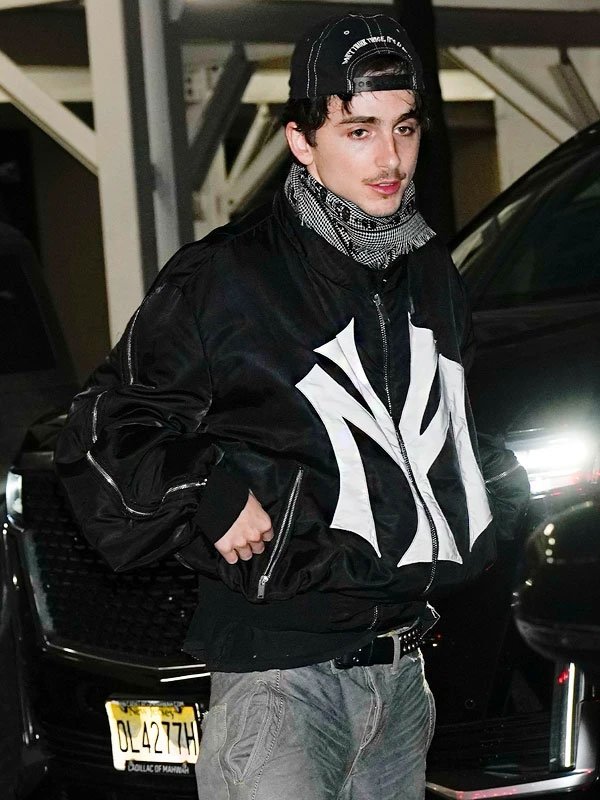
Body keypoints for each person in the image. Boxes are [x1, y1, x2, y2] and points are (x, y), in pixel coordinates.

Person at [55, 13, 529, 800]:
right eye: (359, 131)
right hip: (280, 686)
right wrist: (206, 491)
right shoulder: (227, 276)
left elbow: (449, 432)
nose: (390, 158)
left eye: (405, 128)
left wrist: (501, 494)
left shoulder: (430, 275)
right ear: (301, 141)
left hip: (403, 679)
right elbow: (101, 429)